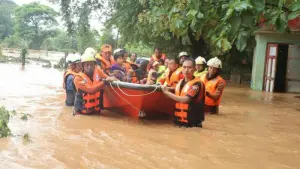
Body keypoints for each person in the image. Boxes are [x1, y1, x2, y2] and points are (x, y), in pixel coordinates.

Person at [161, 58, 205, 127]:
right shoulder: (181, 81)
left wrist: (167, 93)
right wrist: (166, 89)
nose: (186, 70)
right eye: (184, 67)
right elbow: (178, 90)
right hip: (179, 122)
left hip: (192, 124)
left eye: (189, 67)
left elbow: (186, 99)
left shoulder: (197, 84)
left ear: (194, 69)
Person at [73, 50, 117, 115]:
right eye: (87, 64)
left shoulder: (98, 71)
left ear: (95, 65)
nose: (89, 67)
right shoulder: (78, 78)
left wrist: (115, 80)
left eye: (91, 64)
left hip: (96, 112)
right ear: (83, 66)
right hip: (82, 114)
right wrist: (104, 82)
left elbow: (107, 77)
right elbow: (91, 90)